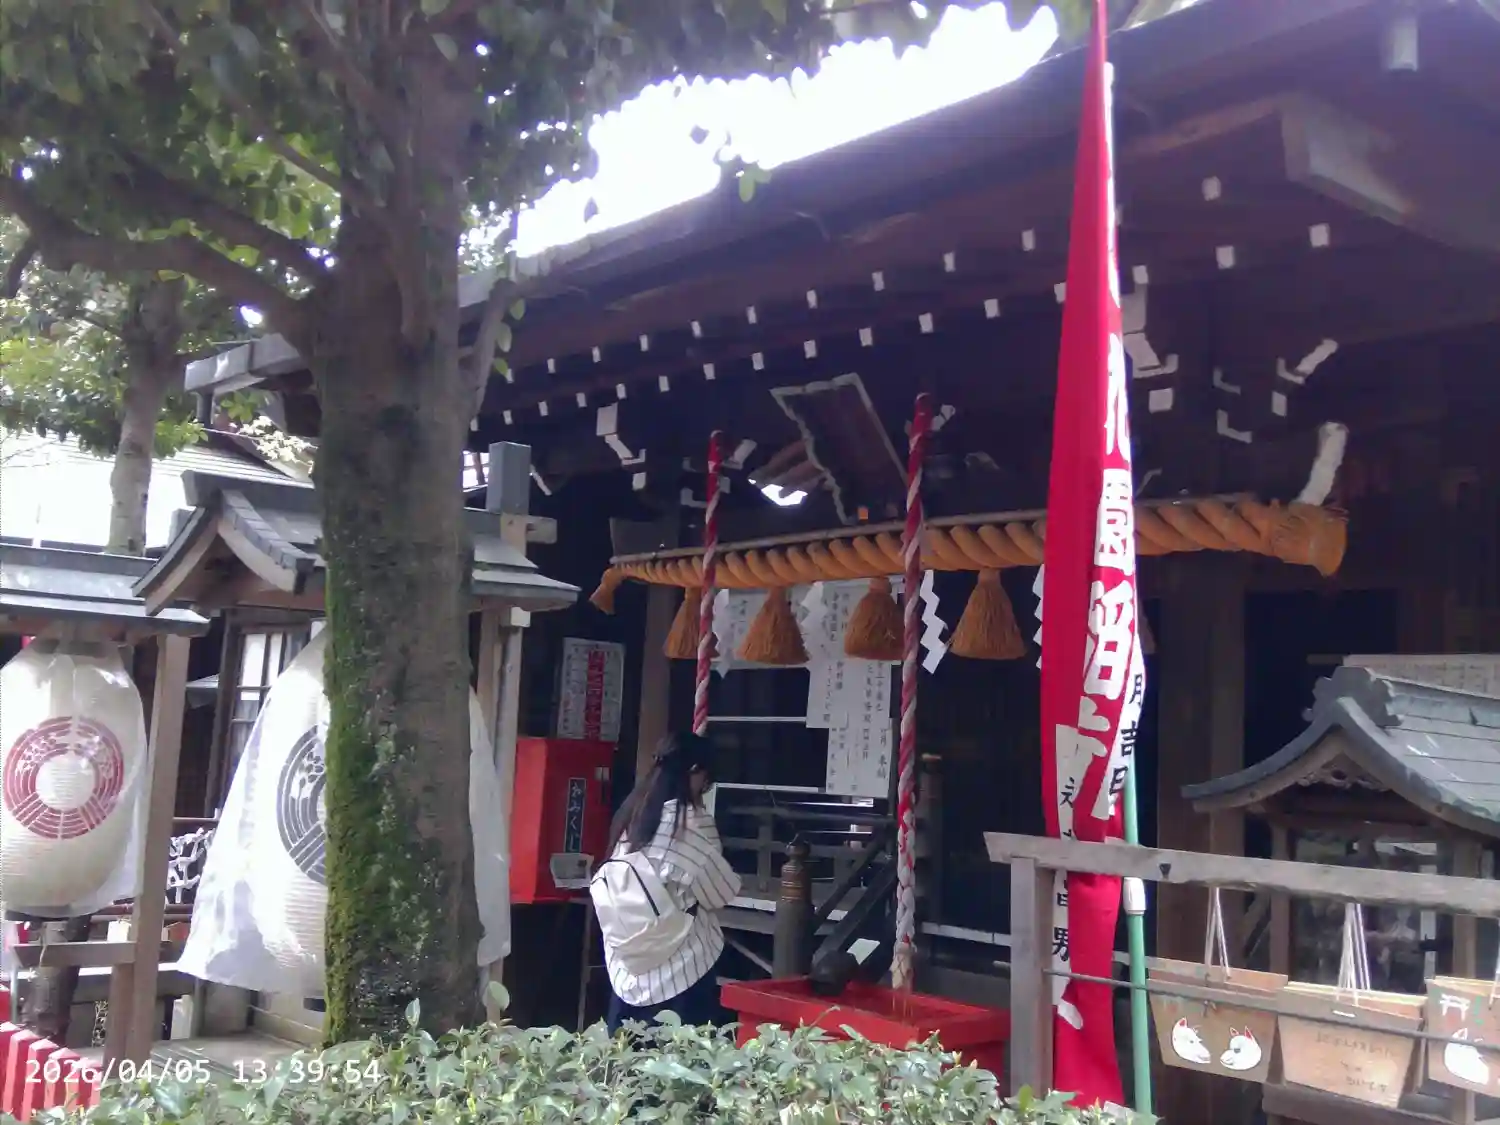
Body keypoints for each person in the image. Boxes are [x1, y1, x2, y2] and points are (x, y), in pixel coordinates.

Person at [600, 731, 740, 1032]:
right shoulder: (690, 824)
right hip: (680, 967)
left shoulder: (630, 817)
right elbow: (721, 892)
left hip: (627, 960)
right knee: (679, 1053)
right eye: (707, 780)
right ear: (696, 771)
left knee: (626, 1053)